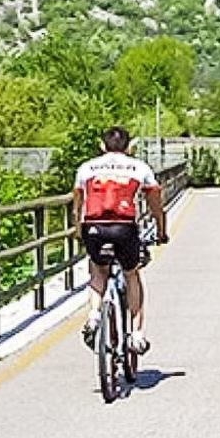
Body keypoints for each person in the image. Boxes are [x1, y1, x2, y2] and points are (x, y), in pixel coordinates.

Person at [73, 127, 167, 354]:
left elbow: (77, 204)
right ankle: (137, 334)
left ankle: (94, 315)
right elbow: (155, 202)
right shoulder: (139, 168)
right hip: (124, 227)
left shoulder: (86, 168)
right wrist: (161, 231)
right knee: (131, 274)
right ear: (129, 147)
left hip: (94, 227)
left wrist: (79, 231)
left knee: (98, 271)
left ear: (102, 145)